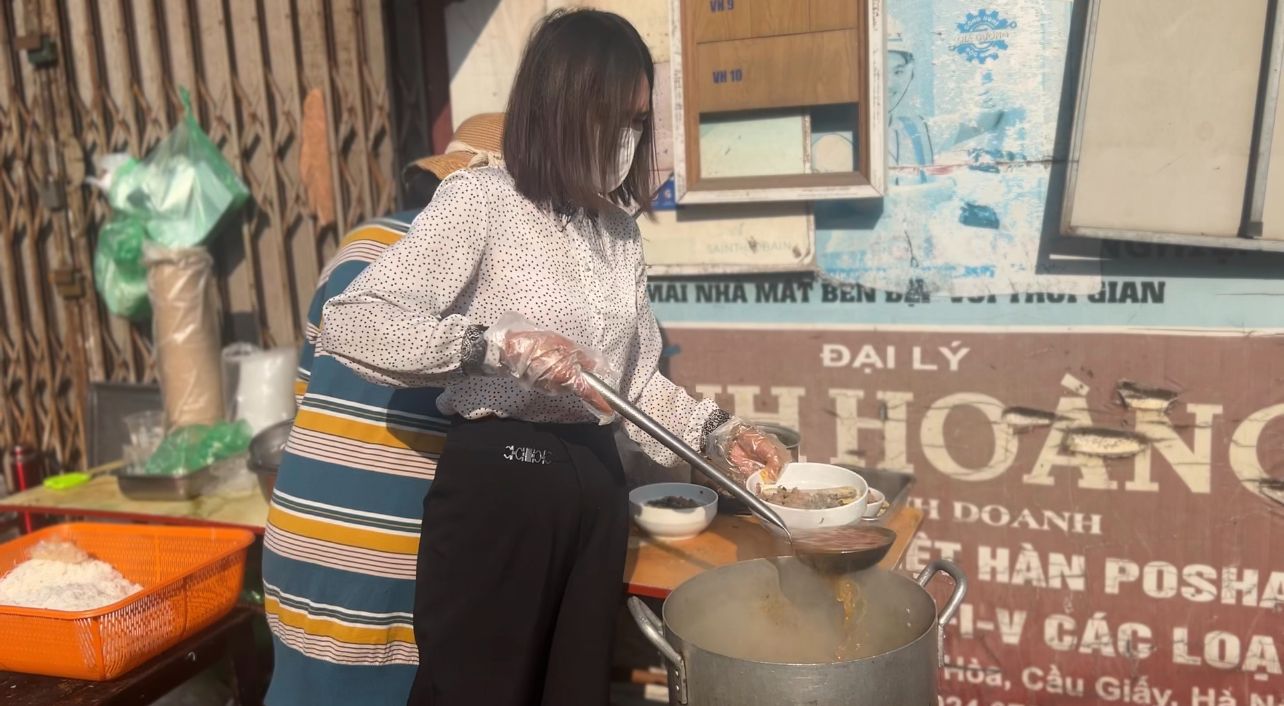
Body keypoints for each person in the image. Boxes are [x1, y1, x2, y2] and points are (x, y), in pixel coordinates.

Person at [315, 9, 787, 705]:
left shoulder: (618, 233)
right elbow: (351, 322)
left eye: (636, 121)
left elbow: (630, 385)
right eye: (611, 118)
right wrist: (488, 346)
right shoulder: (482, 200)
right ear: (558, 106)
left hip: (593, 491)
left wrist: (719, 435)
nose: (626, 139)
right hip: (504, 484)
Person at [260, 114, 504, 706]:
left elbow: (306, 390)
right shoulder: (498, 273)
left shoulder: (362, 243)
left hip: (297, 543)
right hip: (388, 572)